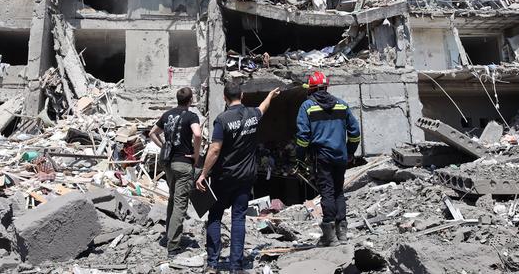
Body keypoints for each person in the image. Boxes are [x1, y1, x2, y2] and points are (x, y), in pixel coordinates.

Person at [196, 82, 280, 273]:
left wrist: (203, 174)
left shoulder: (222, 120)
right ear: (241, 95)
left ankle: (212, 264)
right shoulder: (252, 115)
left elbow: (215, 149)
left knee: (215, 216)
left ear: (225, 97)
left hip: (224, 177)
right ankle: (236, 267)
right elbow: (262, 108)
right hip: (246, 178)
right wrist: (270, 96)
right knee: (238, 219)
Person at [295, 71, 361, 246]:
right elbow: (355, 133)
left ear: (312, 88)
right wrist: (349, 152)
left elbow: (303, 137)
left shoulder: (307, 107)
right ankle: (343, 233)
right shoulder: (342, 105)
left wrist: (299, 158)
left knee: (327, 193)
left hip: (321, 158)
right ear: (326, 87)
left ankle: (330, 236)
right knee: (338, 192)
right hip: (340, 157)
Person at [149, 87, 202, 257]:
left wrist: (163, 146)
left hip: (168, 163)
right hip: (183, 164)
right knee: (180, 203)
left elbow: (152, 133)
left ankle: (168, 235)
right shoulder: (191, 116)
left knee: (172, 198)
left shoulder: (167, 115)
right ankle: (173, 245)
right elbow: (198, 134)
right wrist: (195, 153)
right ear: (190, 100)